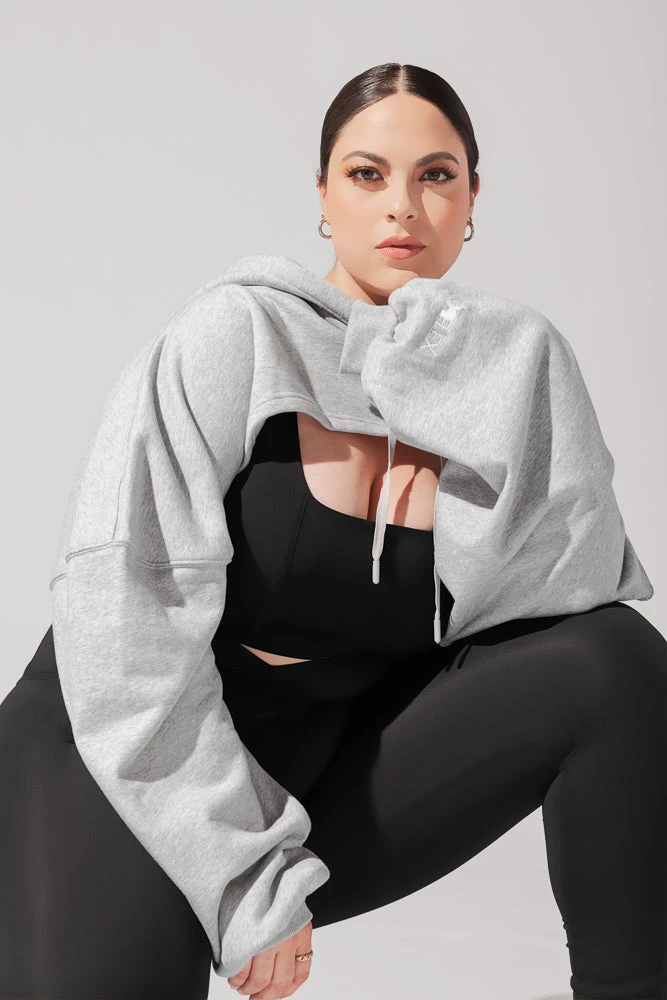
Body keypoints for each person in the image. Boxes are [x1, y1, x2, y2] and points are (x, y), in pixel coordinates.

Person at [1, 61, 665, 1000]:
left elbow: (577, 591)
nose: (402, 206)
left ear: (472, 199)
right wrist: (243, 876)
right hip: (133, 747)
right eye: (366, 174)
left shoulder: (506, 366)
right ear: (322, 194)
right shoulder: (236, 335)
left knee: (614, 660)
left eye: (435, 176)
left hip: (323, 756)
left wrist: (484, 381)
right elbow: (121, 615)